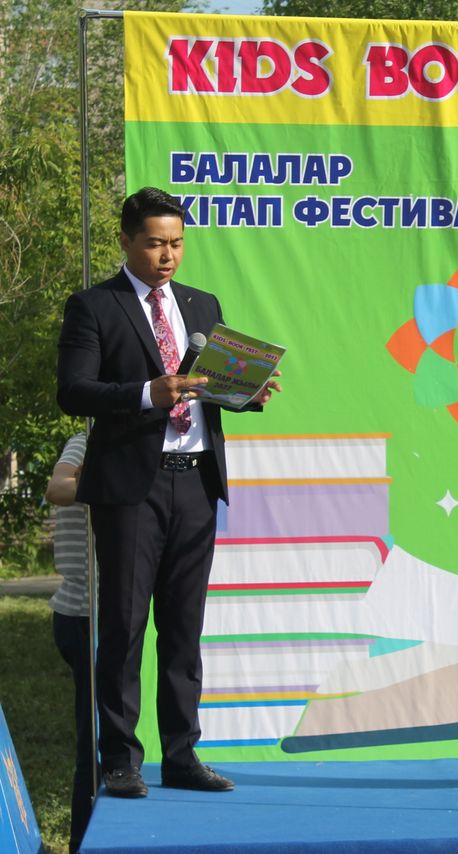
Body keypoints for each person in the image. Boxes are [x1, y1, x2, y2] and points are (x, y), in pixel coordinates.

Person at [56, 187, 280, 799]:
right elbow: (73, 391)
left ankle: (182, 755)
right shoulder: (94, 307)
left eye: (177, 243)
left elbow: (209, 386)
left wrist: (247, 393)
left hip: (197, 481)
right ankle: (120, 760)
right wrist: (145, 393)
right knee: (125, 627)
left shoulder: (202, 304)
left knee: (183, 629)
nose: (168, 256)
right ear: (126, 241)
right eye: (155, 243)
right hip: (133, 487)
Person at [46, 432, 91, 851]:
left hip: (106, 618)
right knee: (94, 747)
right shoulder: (85, 441)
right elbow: (57, 489)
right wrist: (113, 480)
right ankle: (81, 842)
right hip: (82, 616)